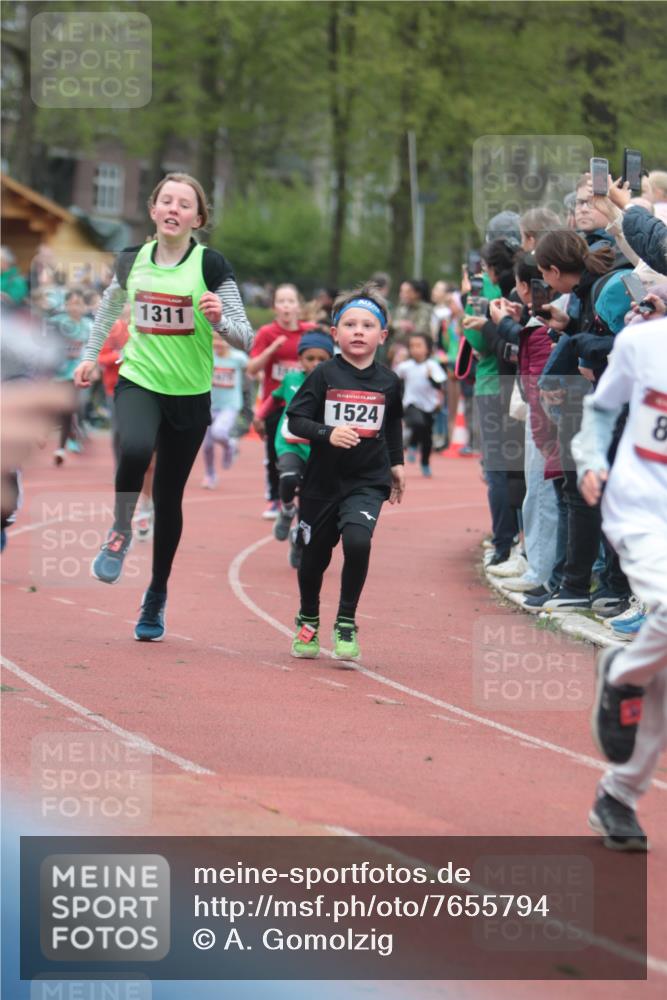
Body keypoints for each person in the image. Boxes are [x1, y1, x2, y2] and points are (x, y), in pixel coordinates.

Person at [74, 172, 253, 641]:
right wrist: (91, 357)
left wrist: (220, 321)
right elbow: (108, 310)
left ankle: (155, 595)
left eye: (184, 204)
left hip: (190, 395)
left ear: (198, 217)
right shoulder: (131, 261)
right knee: (133, 449)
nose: (174, 209)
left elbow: (247, 336)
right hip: (139, 379)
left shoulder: (211, 266)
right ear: (153, 210)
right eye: (166, 201)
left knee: (170, 499)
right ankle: (119, 530)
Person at [571, 313, 667, 850]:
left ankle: (619, 796)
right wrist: (589, 457)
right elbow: (604, 408)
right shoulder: (643, 342)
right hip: (642, 511)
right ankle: (625, 671)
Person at [285, 284, 405, 661]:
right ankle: (308, 618)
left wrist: (397, 464)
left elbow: (393, 425)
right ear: (334, 333)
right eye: (349, 324)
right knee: (313, 559)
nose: (358, 331)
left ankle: (346, 621)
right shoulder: (323, 375)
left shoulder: (389, 381)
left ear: (382, 336)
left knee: (357, 542)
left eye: (367, 325)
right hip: (322, 482)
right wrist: (327, 432)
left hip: (367, 480)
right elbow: (296, 420)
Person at [255, 330, 334, 567]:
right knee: (288, 479)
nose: (316, 364)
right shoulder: (291, 379)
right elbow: (274, 397)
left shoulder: (335, 386)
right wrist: (259, 416)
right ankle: (287, 509)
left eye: (322, 359)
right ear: (300, 359)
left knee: (311, 507)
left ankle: (298, 541)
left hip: (318, 450)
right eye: (310, 358)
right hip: (289, 443)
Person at [247, 284, 315, 519]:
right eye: (281, 301)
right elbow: (251, 368)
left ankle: (308, 495)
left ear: (299, 305)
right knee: (276, 453)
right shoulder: (267, 333)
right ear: (275, 306)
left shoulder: (310, 331)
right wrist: (272, 350)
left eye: (291, 301)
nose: (286, 306)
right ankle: (276, 499)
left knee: (310, 451)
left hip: (308, 403)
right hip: (275, 402)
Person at [50, 288, 93, 464]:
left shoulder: (89, 326)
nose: (75, 308)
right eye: (72, 303)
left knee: (71, 408)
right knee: (61, 410)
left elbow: (92, 349)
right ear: (65, 305)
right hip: (56, 373)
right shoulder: (54, 323)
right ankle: (72, 435)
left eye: (79, 304)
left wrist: (93, 368)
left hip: (77, 373)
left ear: (84, 306)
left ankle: (61, 448)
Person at [395, 332, 446, 476]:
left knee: (427, 438)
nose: (415, 349)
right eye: (412, 346)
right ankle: (412, 444)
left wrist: (431, 378)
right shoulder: (405, 366)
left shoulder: (432, 365)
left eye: (419, 346)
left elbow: (439, 386)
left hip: (429, 405)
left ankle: (425, 462)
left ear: (427, 349)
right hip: (411, 402)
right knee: (418, 423)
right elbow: (394, 380)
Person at [201, 337, 247, 488]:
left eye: (221, 340)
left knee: (219, 432)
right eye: (214, 339)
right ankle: (210, 475)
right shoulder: (208, 355)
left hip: (230, 405)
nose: (218, 343)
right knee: (207, 445)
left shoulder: (238, 358)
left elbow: (252, 370)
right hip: (209, 405)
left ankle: (230, 446)